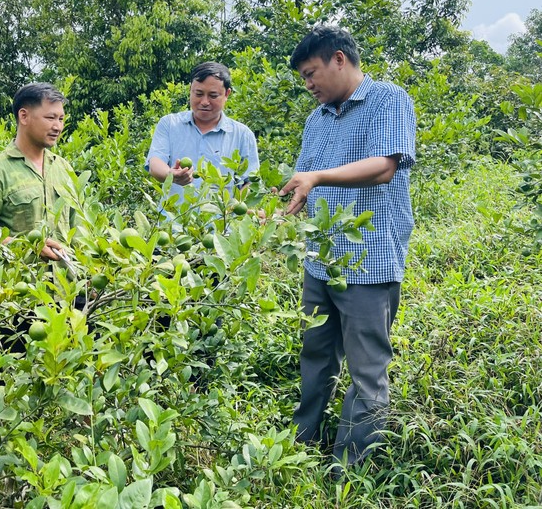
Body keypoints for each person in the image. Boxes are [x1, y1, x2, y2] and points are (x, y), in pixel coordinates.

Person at [279, 26, 417, 471]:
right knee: (316, 355)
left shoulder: (389, 100)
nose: (309, 85)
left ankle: (349, 470)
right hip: (320, 261)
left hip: (369, 263)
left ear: (339, 59)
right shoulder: (315, 121)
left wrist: (318, 178)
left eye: (311, 73)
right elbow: (303, 185)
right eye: (303, 78)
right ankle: (300, 448)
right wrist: (278, 211)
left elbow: (384, 167)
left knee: (367, 371)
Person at [0, 82, 76, 261]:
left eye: (61, 119)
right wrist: (25, 247)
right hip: (20, 286)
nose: (58, 127)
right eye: (50, 118)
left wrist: (89, 274)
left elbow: (79, 228)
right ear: (24, 116)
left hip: (68, 286)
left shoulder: (64, 169)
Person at [145, 61, 260, 203]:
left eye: (213, 96)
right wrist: (171, 174)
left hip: (220, 223)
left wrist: (234, 209)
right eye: (198, 94)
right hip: (173, 221)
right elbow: (155, 163)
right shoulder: (169, 124)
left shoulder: (242, 135)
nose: (204, 102)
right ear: (190, 90)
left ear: (227, 94)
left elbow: (250, 181)